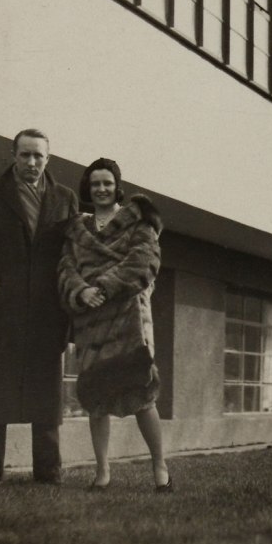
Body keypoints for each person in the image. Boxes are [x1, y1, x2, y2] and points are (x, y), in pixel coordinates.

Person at [0, 129, 78, 483]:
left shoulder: (64, 198)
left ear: (48, 159)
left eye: (38, 156)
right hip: (1, 311)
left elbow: (73, 255)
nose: (32, 162)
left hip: (46, 314)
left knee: (46, 395)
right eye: (25, 155)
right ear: (13, 155)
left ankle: (48, 471)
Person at [58, 158, 171, 492]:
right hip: (92, 319)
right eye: (95, 184)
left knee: (142, 393)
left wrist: (104, 287)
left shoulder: (139, 223)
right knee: (95, 396)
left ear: (117, 186)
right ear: (88, 189)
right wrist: (82, 291)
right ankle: (103, 471)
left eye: (107, 183)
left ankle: (159, 465)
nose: (102, 189)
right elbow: (65, 267)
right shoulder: (78, 228)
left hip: (128, 317)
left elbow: (144, 261)